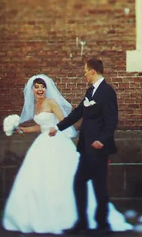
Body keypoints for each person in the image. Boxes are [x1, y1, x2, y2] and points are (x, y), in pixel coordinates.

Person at [2, 73, 131, 235]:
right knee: (38, 178)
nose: (40, 90)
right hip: (42, 143)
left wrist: (56, 129)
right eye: (37, 87)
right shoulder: (36, 105)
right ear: (32, 90)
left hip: (56, 142)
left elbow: (63, 121)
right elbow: (40, 126)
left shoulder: (51, 102)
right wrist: (22, 129)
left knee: (61, 177)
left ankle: (75, 218)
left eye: (42, 87)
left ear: (46, 88)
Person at [50, 58, 118, 236]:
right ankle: (82, 222)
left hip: (98, 148)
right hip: (86, 148)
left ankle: (103, 225)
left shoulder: (107, 91)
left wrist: (102, 139)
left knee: (99, 186)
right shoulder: (90, 92)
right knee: (79, 182)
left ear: (93, 71)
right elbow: (78, 113)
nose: (84, 74)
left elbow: (112, 119)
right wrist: (57, 128)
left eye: (86, 71)